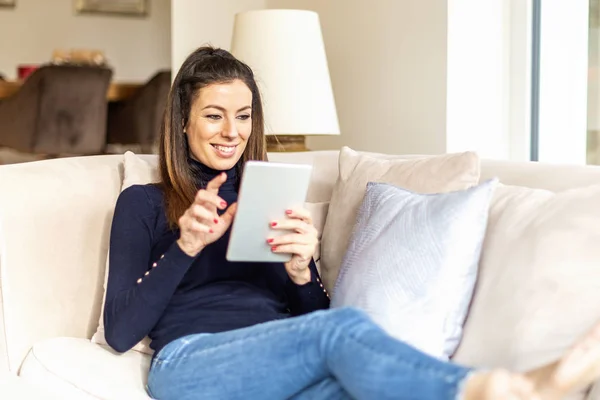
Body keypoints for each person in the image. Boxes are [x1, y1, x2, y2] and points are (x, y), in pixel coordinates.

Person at [103, 46, 600, 400]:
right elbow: (121, 331)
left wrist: (303, 270)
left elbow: (308, 319)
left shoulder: (267, 196)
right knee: (340, 331)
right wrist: (185, 247)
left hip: (284, 368)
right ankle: (503, 387)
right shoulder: (144, 203)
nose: (232, 131)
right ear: (183, 121)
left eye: (244, 115)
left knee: (363, 386)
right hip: (192, 365)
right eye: (214, 115)